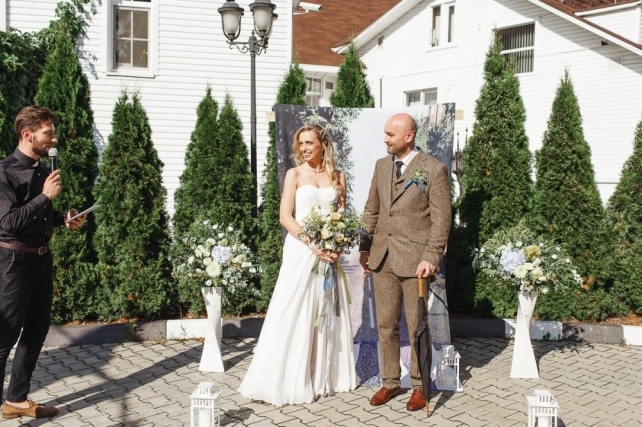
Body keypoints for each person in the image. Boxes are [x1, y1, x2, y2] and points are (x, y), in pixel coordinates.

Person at [238, 124, 358, 406]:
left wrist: (336, 246)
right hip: (301, 249)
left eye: (309, 143)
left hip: (328, 252)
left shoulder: (338, 176)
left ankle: (324, 376)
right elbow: (285, 216)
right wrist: (312, 244)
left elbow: (342, 215)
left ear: (323, 144)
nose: (304, 148)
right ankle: (288, 377)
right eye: (301, 143)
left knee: (323, 308)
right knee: (294, 309)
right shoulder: (294, 174)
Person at [359, 113, 451, 412]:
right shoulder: (381, 165)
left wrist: (431, 256)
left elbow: (442, 220)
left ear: (409, 136)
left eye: (390, 134)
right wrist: (365, 247)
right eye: (385, 133)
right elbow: (371, 209)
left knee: (416, 328)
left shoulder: (433, 169)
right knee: (385, 325)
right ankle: (389, 382)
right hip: (382, 258)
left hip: (416, 262)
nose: (384, 139)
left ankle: (420, 386)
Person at [0, 106, 86, 420]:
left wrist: (64, 219)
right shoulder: (5, 172)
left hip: (41, 259)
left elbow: (38, 215)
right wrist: (45, 197)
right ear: (27, 134)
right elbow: (8, 221)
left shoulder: (40, 171)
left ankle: (16, 400)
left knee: (37, 330)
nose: (54, 138)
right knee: (5, 336)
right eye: (48, 133)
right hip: (13, 260)